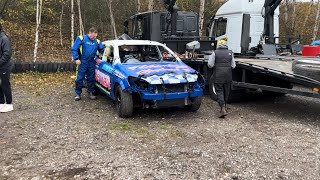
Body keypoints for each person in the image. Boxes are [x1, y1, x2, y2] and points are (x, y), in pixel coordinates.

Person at [71, 27, 104, 101]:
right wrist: (76, 58)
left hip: (91, 62)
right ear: (89, 33)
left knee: (91, 78)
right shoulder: (81, 38)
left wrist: (106, 51)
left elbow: (102, 50)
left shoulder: (97, 41)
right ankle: (78, 94)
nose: (94, 37)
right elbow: (74, 49)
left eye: (96, 36)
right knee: (79, 78)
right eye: (93, 36)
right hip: (82, 62)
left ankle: (91, 93)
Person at [208, 39, 236, 118]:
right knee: (226, 91)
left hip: (218, 75)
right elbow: (233, 66)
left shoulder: (215, 52)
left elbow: (210, 65)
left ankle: (222, 108)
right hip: (228, 75)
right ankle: (225, 107)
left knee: (219, 91)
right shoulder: (230, 52)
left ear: (218, 45)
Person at [0, 23, 13, 113]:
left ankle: (9, 104)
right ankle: (1, 102)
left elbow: (7, 54)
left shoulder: (4, 39)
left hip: (4, 66)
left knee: (5, 85)